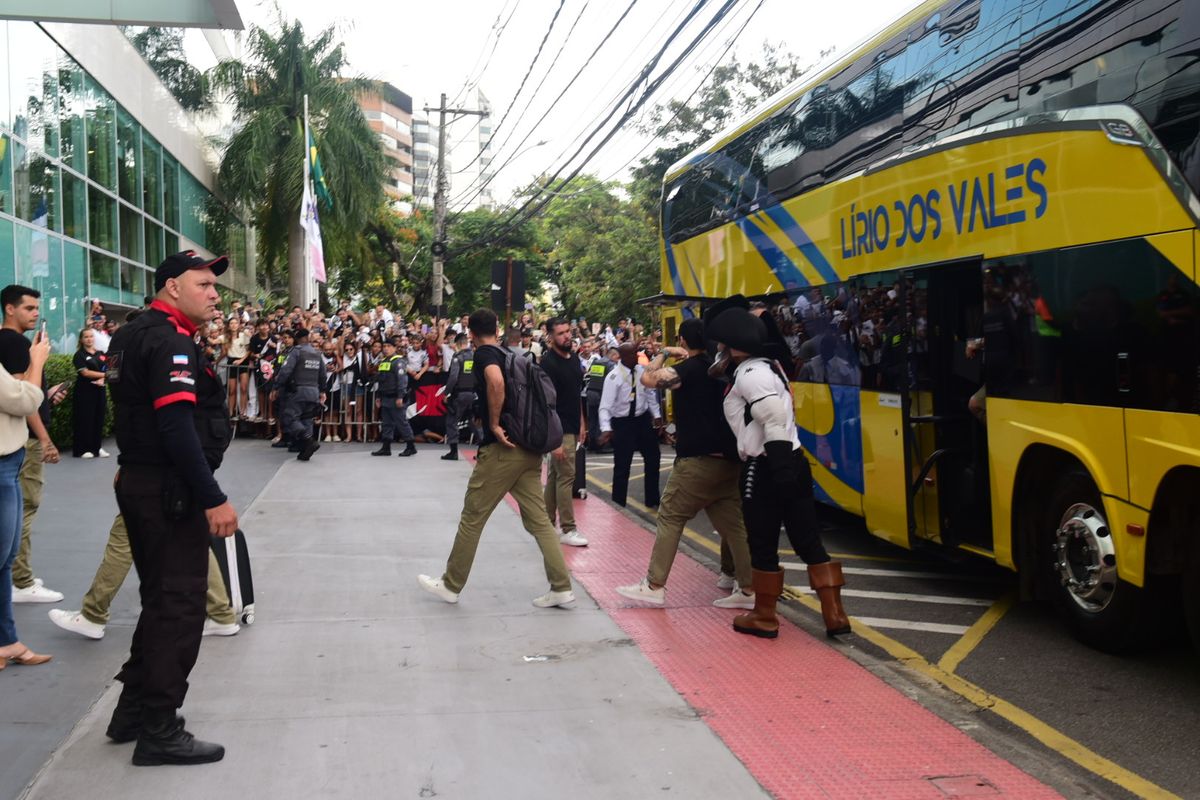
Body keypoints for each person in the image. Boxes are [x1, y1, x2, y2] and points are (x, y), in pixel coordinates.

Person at [104, 250, 238, 765]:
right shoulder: (171, 342)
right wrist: (214, 498)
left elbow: (133, 411)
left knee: (161, 599)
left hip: (142, 480)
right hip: (169, 491)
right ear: (171, 287)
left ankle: (133, 711)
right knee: (180, 606)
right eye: (203, 283)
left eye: (214, 286)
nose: (213, 293)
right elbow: (176, 427)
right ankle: (160, 727)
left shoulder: (133, 332)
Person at [707, 300, 850, 640]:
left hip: (769, 464)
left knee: (763, 542)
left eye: (722, 344)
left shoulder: (751, 374)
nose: (718, 349)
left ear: (733, 345)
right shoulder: (769, 367)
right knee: (807, 540)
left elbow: (771, 417)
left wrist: (780, 471)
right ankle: (834, 614)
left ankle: (765, 616)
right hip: (792, 460)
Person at [417, 309, 575, 609]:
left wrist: (493, 423)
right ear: (497, 330)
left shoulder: (484, 355)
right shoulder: (509, 353)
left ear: (471, 332)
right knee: (540, 521)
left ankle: (451, 584)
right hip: (529, 448)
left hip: (503, 450)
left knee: (472, 517)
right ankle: (561, 587)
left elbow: (496, 383)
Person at [614, 318, 754, 608]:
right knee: (734, 527)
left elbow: (648, 378)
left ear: (683, 341)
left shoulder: (688, 370)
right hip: (728, 459)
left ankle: (654, 584)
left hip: (697, 460)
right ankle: (750, 589)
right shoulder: (721, 370)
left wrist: (664, 352)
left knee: (670, 515)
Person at [49, 513, 241, 640]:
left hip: (156, 474)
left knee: (124, 535)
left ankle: (93, 613)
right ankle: (220, 613)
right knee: (190, 536)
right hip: (177, 475)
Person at [1, 285, 66, 605]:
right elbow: (21, 399)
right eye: (29, 308)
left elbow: (22, 390)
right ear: (9, 309)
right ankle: (21, 580)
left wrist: (47, 392)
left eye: (37, 308)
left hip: (18, 439)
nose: (36, 313)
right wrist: (45, 439)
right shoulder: (14, 343)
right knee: (24, 510)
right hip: (23, 443)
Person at [0, 332, 53, 668]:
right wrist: (36, 363)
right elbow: (25, 401)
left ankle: (8, 643)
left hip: (10, 463)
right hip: (3, 465)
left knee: (5, 560)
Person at [538, 318, 588, 548]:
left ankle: (547, 525)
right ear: (551, 337)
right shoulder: (548, 364)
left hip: (571, 426)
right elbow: (546, 404)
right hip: (559, 430)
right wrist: (554, 440)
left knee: (556, 477)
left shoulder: (574, 358)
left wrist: (581, 422)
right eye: (561, 333)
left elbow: (575, 394)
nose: (567, 336)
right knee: (566, 478)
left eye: (568, 331)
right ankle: (568, 528)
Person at [598, 342, 662, 508]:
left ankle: (653, 499)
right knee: (622, 465)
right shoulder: (614, 377)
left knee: (653, 458)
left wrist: (656, 415)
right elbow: (605, 406)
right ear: (623, 356)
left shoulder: (641, 371)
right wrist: (606, 429)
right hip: (622, 423)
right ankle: (618, 503)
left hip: (641, 420)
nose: (637, 356)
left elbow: (649, 393)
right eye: (633, 353)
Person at [271, 328, 325, 462]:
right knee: (307, 419)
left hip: (298, 391)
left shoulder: (296, 352)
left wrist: (276, 387)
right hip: (314, 391)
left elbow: (285, 371)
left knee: (290, 417)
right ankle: (305, 450)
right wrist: (323, 391)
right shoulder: (317, 353)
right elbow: (322, 374)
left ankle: (308, 440)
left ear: (297, 339)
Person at [371, 338, 416, 457]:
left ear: (394, 348)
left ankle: (411, 446)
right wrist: (379, 396)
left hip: (396, 397)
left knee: (401, 422)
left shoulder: (398, 362)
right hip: (385, 397)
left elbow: (402, 381)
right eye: (384, 346)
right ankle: (386, 447)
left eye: (389, 346)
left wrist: (400, 396)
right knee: (386, 423)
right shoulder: (383, 362)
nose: (386, 348)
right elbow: (381, 381)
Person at [441, 333, 480, 460]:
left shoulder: (458, 357)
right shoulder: (475, 356)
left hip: (459, 394)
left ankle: (453, 452)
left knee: (452, 421)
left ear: (457, 343)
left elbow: (453, 377)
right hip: (473, 394)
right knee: (473, 422)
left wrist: (446, 392)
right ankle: (483, 450)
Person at [72, 328, 110, 458]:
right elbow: (85, 372)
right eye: (86, 337)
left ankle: (97, 447)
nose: (89, 339)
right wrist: (105, 374)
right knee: (85, 419)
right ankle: (83, 449)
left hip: (100, 390)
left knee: (98, 418)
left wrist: (103, 378)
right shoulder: (79, 355)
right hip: (85, 392)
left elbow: (109, 368)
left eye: (91, 336)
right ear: (81, 340)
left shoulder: (101, 353)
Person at [585, 344, 616, 451]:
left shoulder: (596, 362)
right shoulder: (610, 364)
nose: (618, 360)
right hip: (600, 394)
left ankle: (592, 444)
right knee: (600, 420)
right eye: (617, 357)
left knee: (592, 420)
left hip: (590, 393)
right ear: (613, 355)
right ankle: (601, 446)